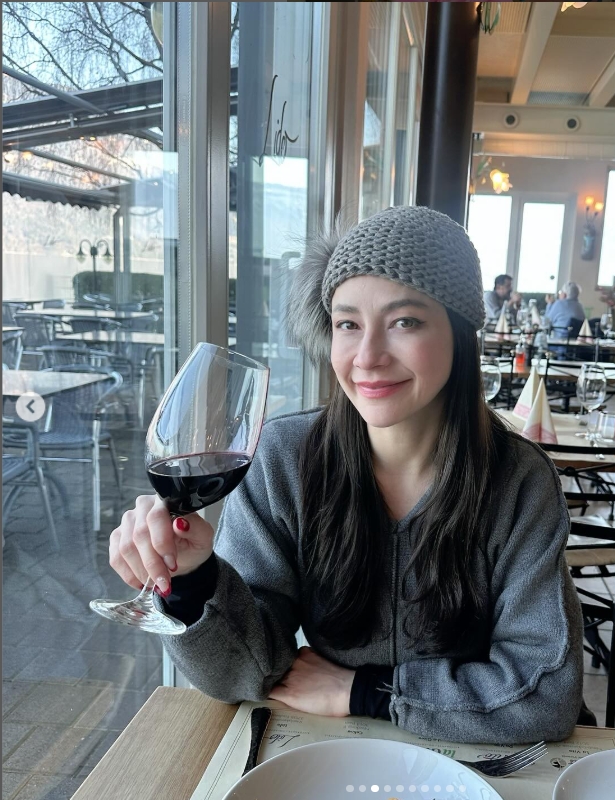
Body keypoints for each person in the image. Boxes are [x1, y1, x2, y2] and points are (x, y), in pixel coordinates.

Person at [107, 206, 584, 744]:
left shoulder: (519, 481)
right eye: (348, 324)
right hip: (326, 753)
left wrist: (369, 691)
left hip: (472, 763)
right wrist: (195, 578)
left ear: (459, 334)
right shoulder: (286, 459)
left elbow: (546, 695)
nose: (368, 357)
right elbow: (247, 672)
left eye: (405, 322)